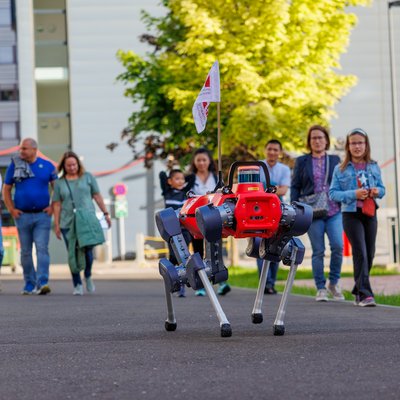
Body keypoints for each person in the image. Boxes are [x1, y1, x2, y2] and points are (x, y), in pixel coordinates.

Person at [329, 128, 385, 307]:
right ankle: (365, 294)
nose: (357, 146)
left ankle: (358, 288)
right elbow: (333, 194)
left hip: (370, 212)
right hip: (350, 214)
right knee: (360, 251)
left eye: (360, 142)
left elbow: (383, 189)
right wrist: (353, 193)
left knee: (370, 253)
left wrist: (377, 191)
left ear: (366, 145)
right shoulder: (340, 168)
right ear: (348, 146)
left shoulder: (374, 166)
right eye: (353, 143)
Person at [291, 125, 344, 302]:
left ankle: (334, 283)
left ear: (326, 140)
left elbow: (342, 182)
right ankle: (320, 287)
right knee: (318, 251)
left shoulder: (335, 159)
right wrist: (295, 208)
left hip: (334, 210)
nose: (317, 141)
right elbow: (296, 186)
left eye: (320, 137)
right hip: (312, 212)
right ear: (309, 141)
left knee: (338, 246)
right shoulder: (302, 161)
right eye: (313, 138)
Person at [2, 138, 58, 295]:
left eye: (24, 149)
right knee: (25, 251)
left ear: (34, 149)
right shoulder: (15, 165)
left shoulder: (47, 166)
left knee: (42, 248)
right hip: (22, 215)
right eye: (20, 149)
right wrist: (11, 209)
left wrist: (53, 206)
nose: (21, 152)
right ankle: (29, 283)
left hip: (42, 215)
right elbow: (6, 189)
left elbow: (57, 188)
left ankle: (42, 283)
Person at [52, 151, 111, 295]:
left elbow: (97, 196)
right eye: (68, 165)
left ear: (78, 164)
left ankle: (88, 275)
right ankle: (77, 284)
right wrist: (57, 224)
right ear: (64, 167)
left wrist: (105, 213)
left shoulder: (88, 177)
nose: (72, 167)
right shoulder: (59, 183)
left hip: (86, 220)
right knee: (72, 253)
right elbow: (57, 204)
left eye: (74, 164)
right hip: (68, 222)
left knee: (88, 251)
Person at [187, 148, 231, 296]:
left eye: (204, 160)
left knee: (216, 249)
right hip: (195, 218)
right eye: (198, 160)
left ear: (209, 161)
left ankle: (221, 282)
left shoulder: (216, 177)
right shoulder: (190, 179)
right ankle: (200, 284)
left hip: (214, 217)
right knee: (198, 251)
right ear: (194, 162)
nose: (201, 163)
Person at [257, 139, 291, 294]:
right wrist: (274, 190)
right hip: (257, 211)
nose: (272, 152)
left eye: (275, 150)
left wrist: (266, 191)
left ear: (280, 152)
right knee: (259, 245)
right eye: (269, 149)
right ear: (265, 150)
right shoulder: (257, 167)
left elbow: (284, 191)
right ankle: (263, 282)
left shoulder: (284, 169)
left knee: (276, 245)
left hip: (277, 210)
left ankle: (271, 283)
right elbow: (253, 190)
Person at [159, 168, 192, 297]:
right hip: (171, 230)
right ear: (170, 181)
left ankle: (182, 283)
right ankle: (173, 282)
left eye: (182, 179)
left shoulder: (186, 193)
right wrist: (168, 173)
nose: (180, 181)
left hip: (184, 230)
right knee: (173, 256)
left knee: (184, 256)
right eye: (177, 179)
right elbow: (162, 175)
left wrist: (184, 178)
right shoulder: (167, 192)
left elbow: (192, 178)